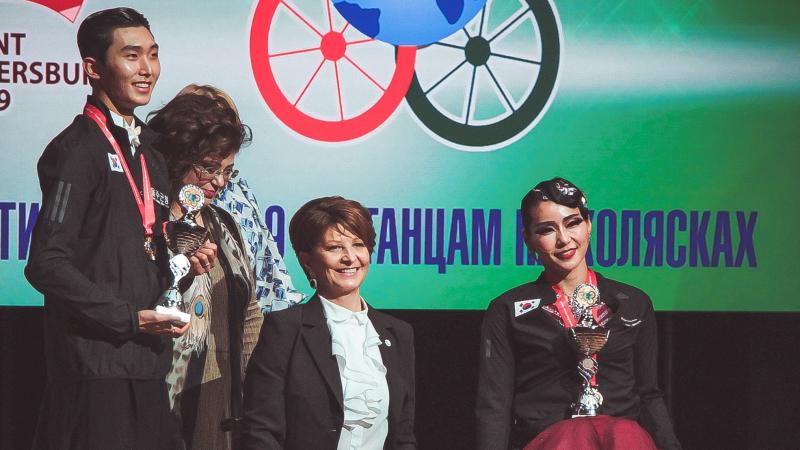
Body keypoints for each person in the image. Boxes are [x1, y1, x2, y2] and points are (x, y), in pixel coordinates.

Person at [24, 8, 215, 449]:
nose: (147, 69)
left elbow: (143, 250)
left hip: (148, 366)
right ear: (93, 68)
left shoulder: (151, 152)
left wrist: (182, 262)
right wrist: (129, 318)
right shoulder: (77, 150)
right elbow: (46, 264)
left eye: (152, 55)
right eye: (131, 55)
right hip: (97, 371)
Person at [475, 178, 681, 450]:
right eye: (547, 230)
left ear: (589, 225)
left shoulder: (634, 303)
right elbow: (495, 404)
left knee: (625, 433)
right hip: (552, 440)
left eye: (573, 223)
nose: (564, 239)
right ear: (529, 239)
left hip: (622, 441)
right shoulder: (507, 309)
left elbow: (649, 393)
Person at [242, 196, 417, 449]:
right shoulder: (286, 329)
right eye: (334, 248)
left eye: (359, 245)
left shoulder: (398, 333)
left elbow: (403, 435)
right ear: (307, 260)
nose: (349, 258)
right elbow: (262, 431)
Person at [148, 91, 263, 449]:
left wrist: (256, 391)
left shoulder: (225, 225)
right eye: (210, 168)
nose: (220, 182)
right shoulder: (148, 221)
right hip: (158, 388)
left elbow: (250, 314)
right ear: (180, 158)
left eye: (227, 171)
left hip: (220, 394)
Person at [177, 83, 305, 314]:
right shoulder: (155, 197)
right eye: (208, 168)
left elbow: (268, 280)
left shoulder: (240, 196)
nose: (218, 181)